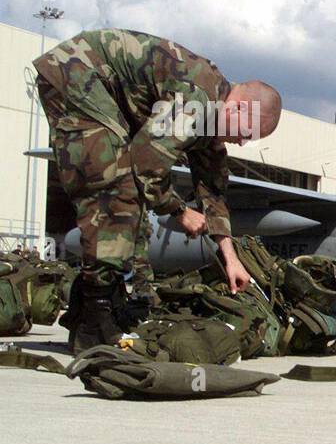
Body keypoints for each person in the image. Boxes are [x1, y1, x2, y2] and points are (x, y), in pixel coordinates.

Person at [32, 28, 280, 352]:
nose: (243, 142)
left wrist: (230, 259)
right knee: (116, 191)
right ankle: (94, 323)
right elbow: (146, 164)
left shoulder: (210, 124)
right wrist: (178, 211)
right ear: (237, 109)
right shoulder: (198, 101)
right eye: (247, 132)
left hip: (98, 89)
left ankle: (94, 308)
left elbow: (214, 193)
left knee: (129, 195)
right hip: (75, 75)